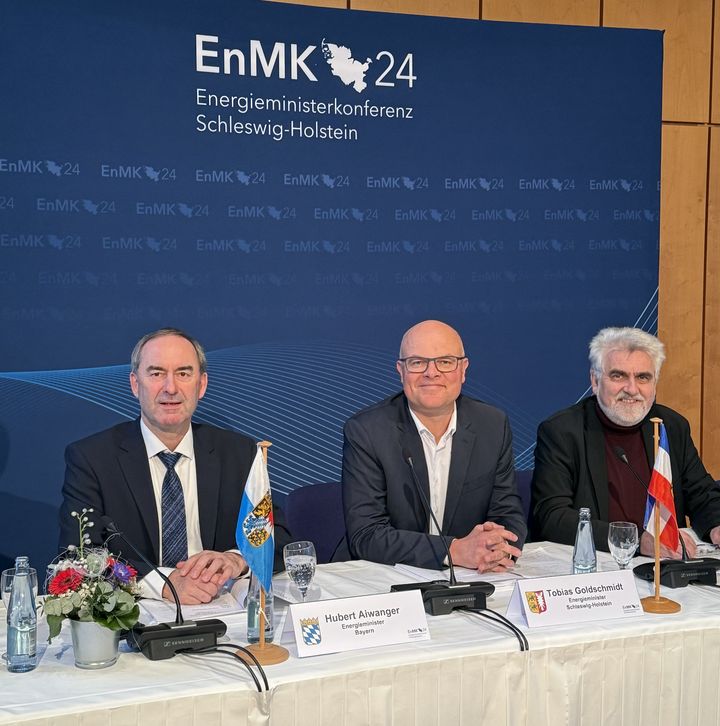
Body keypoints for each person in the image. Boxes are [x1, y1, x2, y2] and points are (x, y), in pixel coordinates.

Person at [59, 328, 291, 604]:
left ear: (201, 385)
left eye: (183, 373)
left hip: (223, 606)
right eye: (156, 373)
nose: (171, 388)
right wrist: (166, 585)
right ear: (135, 384)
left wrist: (236, 560)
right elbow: (79, 556)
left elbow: (279, 540)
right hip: (139, 610)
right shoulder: (92, 458)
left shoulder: (239, 453)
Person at [341, 320, 527, 572]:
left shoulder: (492, 425)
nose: (432, 372)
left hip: (471, 574)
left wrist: (495, 548)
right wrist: (452, 550)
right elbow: (366, 535)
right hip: (389, 577)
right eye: (418, 362)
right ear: (401, 370)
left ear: (463, 369)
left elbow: (507, 514)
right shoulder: (367, 431)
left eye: (445, 361)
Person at [531, 326, 720, 557]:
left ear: (655, 383)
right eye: (618, 375)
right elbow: (552, 518)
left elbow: (701, 494)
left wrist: (716, 526)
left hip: (666, 568)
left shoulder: (670, 426)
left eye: (643, 377)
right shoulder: (562, 431)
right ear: (595, 380)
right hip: (598, 569)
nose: (631, 389)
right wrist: (637, 541)